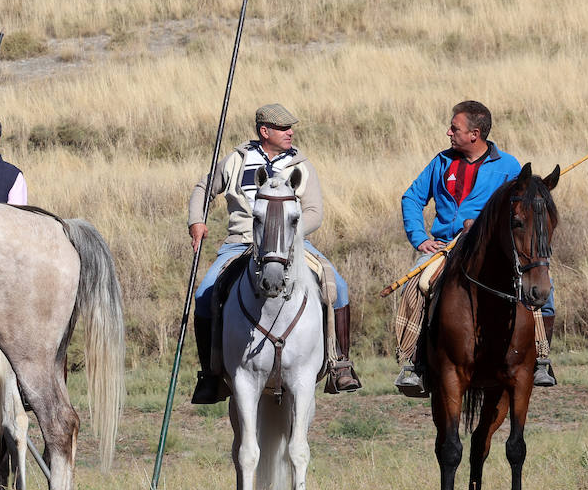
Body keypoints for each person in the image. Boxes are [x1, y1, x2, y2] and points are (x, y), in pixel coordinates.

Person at [187, 104, 362, 401]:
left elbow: (314, 211)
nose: (290, 132)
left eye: (290, 128)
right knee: (205, 293)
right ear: (264, 131)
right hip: (241, 242)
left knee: (338, 287)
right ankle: (211, 374)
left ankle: (339, 364)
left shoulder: (300, 164)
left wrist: (288, 237)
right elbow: (204, 187)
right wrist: (196, 220)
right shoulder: (235, 161)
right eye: (283, 128)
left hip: (291, 245)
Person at [395, 100, 555, 390]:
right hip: (445, 246)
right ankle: (414, 363)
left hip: (490, 250)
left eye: (455, 128)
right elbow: (412, 198)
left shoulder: (508, 166)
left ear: (475, 134)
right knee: (417, 285)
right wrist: (421, 239)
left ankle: (541, 358)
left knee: (543, 285)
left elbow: (518, 210)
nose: (448, 133)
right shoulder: (441, 162)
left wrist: (478, 225)